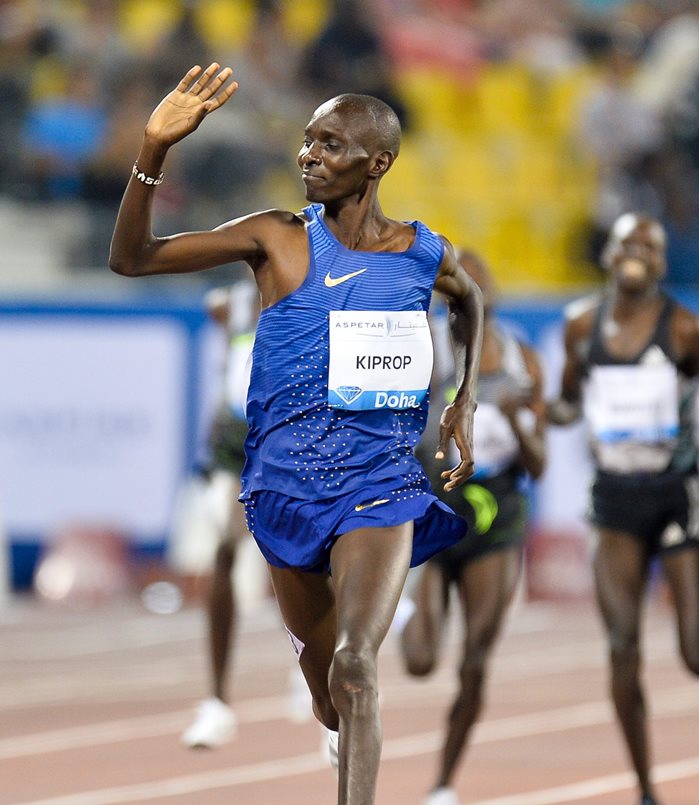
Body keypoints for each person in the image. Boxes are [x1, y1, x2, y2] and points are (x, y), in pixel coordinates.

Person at [109, 64, 482, 805]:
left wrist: (462, 400)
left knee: (356, 667)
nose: (309, 155)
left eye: (331, 144)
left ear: (376, 163)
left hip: (381, 486)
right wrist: (153, 150)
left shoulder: (420, 252)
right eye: (307, 141)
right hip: (283, 489)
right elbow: (132, 258)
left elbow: (471, 299)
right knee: (329, 698)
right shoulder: (274, 238)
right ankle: (337, 709)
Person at [548, 212, 699, 805]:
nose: (637, 252)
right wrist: (542, 412)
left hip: (675, 495)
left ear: (663, 263)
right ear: (610, 255)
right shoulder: (580, 326)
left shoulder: (687, 329)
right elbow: (568, 403)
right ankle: (645, 787)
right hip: (613, 499)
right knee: (621, 644)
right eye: (627, 243)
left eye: (650, 245)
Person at [400, 250, 546, 805]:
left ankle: (443, 782)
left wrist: (510, 415)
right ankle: (409, 608)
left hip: (498, 514)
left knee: (477, 657)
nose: (466, 297)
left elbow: (540, 465)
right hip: (437, 508)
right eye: (456, 288)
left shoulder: (521, 359)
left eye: (477, 288)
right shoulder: (424, 348)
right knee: (419, 662)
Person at [181, 279, 314, 747]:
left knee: (298, 558)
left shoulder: (314, 288)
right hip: (234, 441)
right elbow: (213, 302)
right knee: (224, 546)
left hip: (288, 438)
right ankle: (217, 702)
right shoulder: (234, 300)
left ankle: (310, 673)